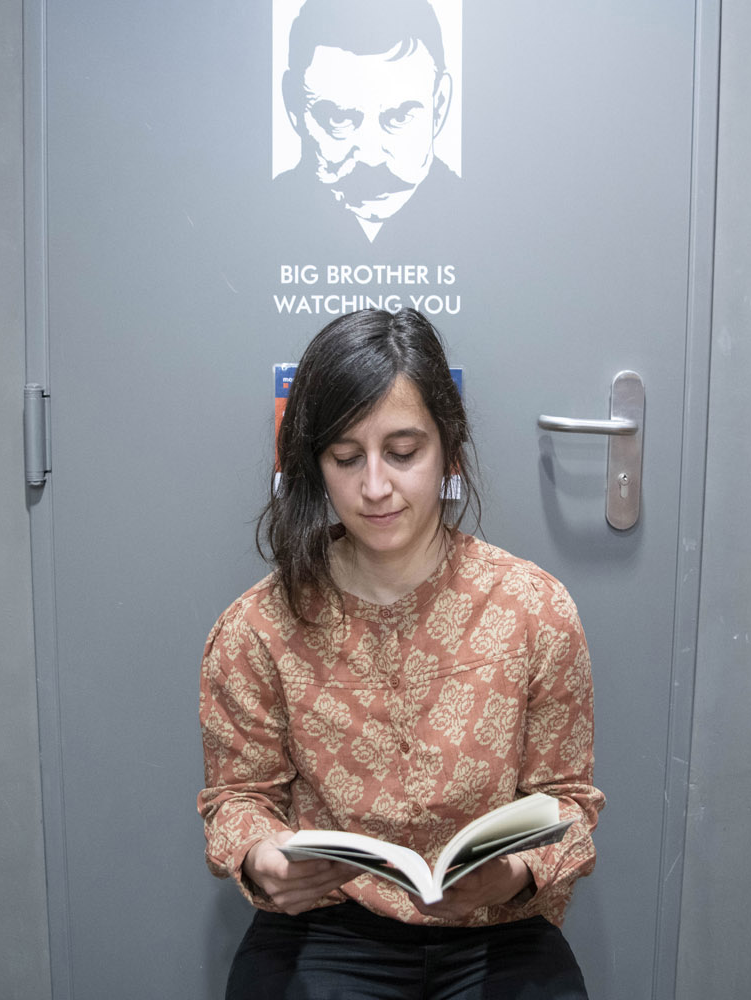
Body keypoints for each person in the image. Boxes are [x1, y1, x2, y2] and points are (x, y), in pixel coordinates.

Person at [198, 308, 602, 998]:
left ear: (448, 448)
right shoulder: (257, 627)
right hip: (329, 928)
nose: (375, 487)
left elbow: (567, 802)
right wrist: (260, 854)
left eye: (404, 452)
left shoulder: (534, 609)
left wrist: (511, 874)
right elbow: (237, 797)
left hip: (497, 928)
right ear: (313, 465)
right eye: (346, 458)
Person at [277, 0, 459, 243]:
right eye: (338, 119)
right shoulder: (251, 221)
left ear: (440, 105)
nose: (372, 158)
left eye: (399, 118)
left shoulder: (484, 220)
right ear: (294, 105)